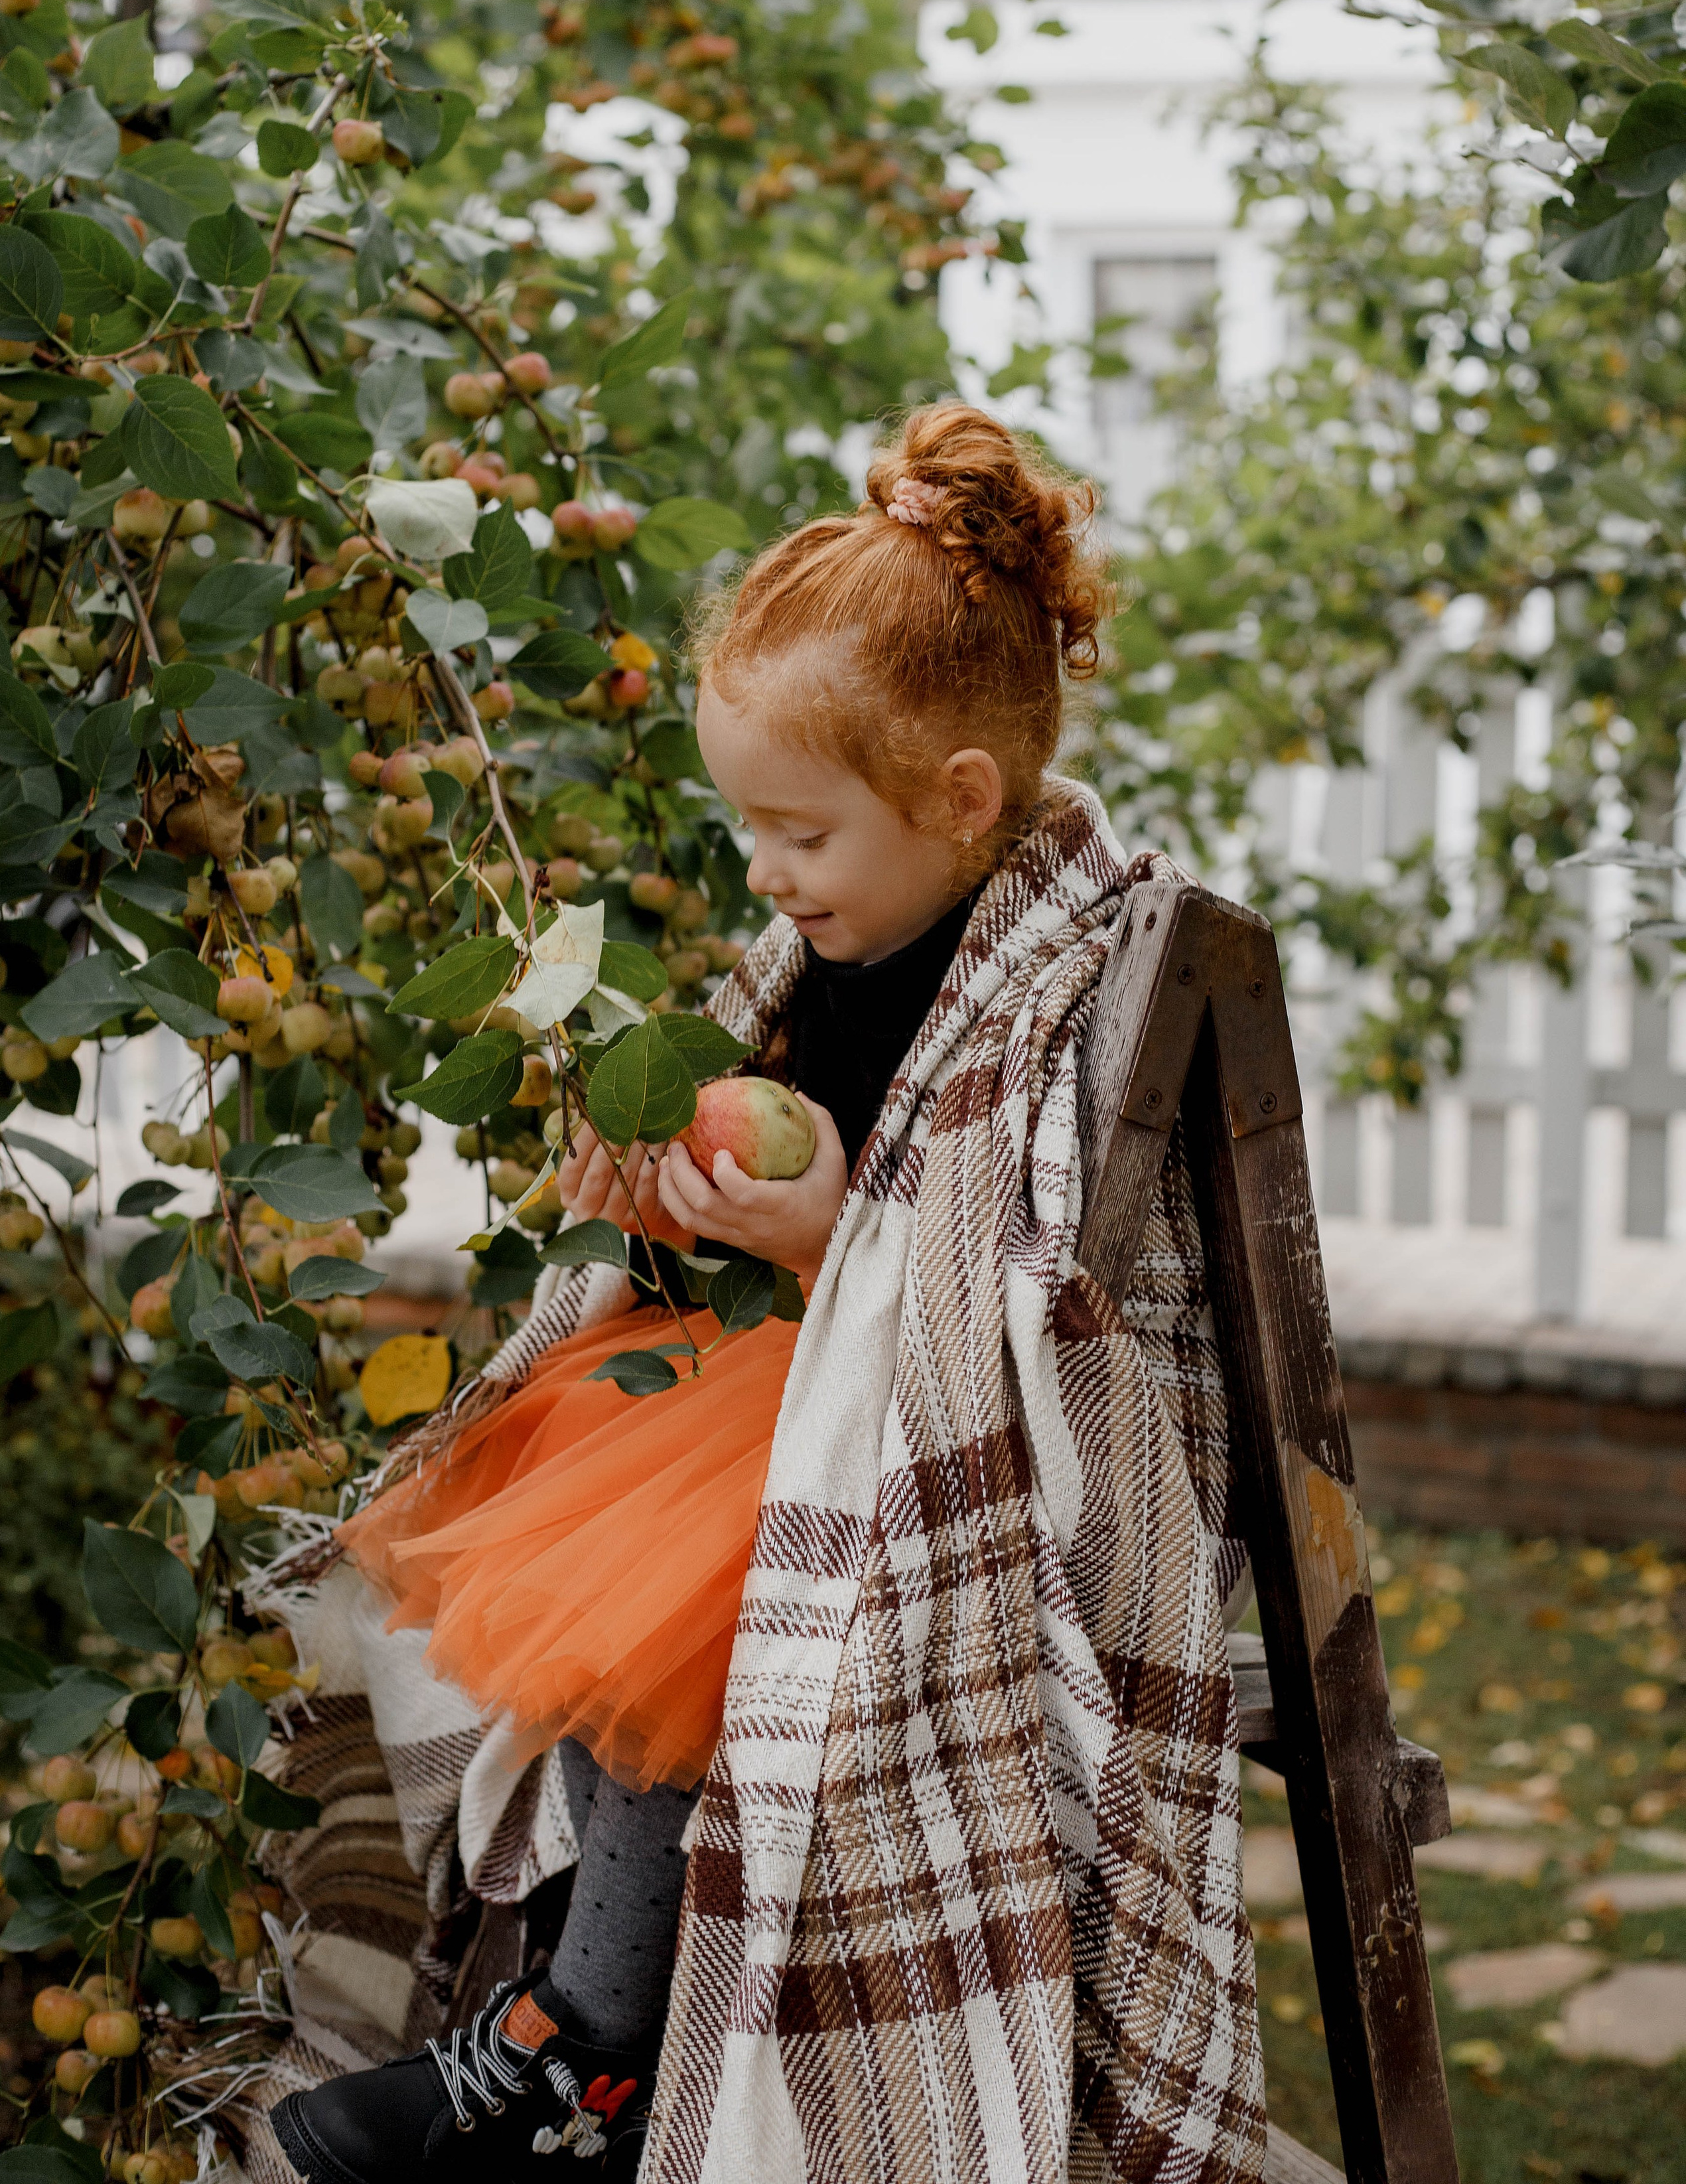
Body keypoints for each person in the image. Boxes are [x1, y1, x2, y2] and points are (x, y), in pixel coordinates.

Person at [271, 402, 1263, 2184]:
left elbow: (1044, 1287)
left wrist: (829, 1241)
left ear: (961, 803)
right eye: (751, 831)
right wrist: (661, 1191)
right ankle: (613, 2029)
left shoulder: (1048, 977)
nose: (768, 876)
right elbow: (791, 1184)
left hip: (933, 1443)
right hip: (790, 1385)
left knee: (675, 1588)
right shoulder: (834, 938)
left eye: (798, 834)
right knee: (579, 1533)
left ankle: (577, 2042)